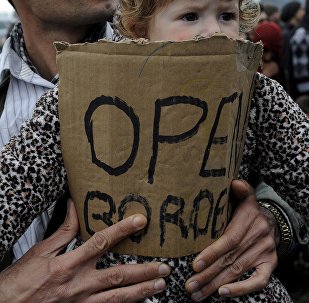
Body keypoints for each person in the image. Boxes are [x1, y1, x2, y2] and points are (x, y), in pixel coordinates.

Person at [0, 0, 307, 302]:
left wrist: (275, 217)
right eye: (190, 16)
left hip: (222, 285)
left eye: (227, 15)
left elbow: (299, 162)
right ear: (139, 28)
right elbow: (13, 188)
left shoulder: (256, 94)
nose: (215, 31)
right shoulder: (71, 97)